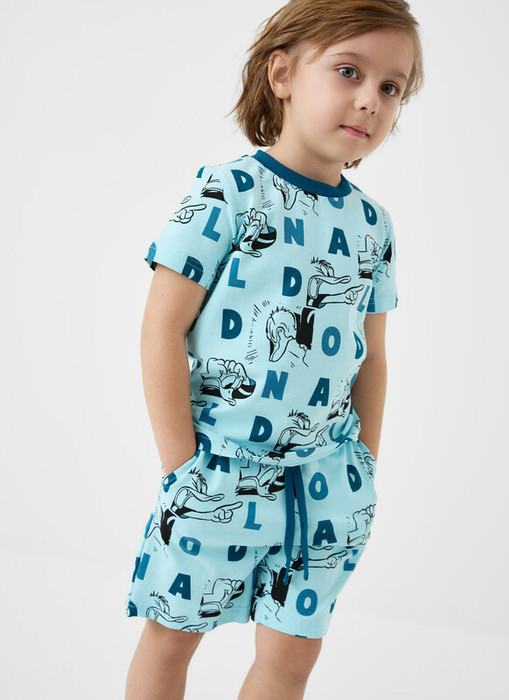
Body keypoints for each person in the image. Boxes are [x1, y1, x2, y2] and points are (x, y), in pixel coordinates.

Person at [124, 1, 425, 698]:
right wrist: (182, 468)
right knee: (171, 636)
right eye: (348, 71)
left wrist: (364, 464)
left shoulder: (373, 225)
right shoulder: (227, 192)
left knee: (292, 660)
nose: (370, 99)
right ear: (282, 74)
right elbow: (160, 329)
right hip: (219, 473)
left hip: (329, 483)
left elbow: (372, 356)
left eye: (391, 87)